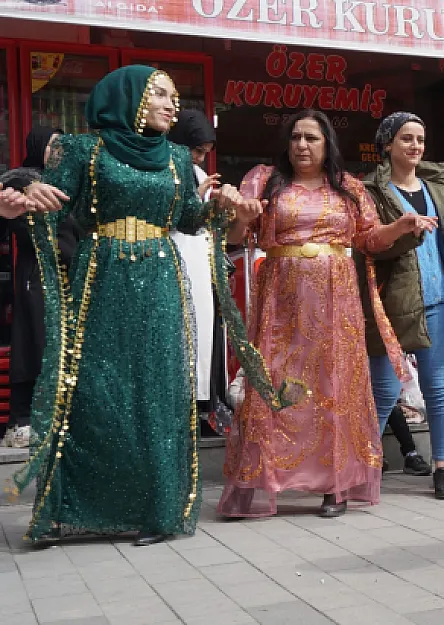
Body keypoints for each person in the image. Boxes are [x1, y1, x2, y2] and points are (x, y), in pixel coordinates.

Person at [14, 65, 288, 545]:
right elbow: (46, 203)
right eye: (158, 94)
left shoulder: (176, 157)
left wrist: (223, 206)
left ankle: (157, 511)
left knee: (155, 393)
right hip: (100, 279)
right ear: (128, 98)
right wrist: (28, 192)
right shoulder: (85, 150)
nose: (170, 105)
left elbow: (185, 217)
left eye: (173, 97)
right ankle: (67, 509)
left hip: (160, 282)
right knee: (91, 390)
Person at [219, 109, 414, 518]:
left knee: (333, 388)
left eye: (311, 138)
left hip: (335, 302)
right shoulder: (264, 180)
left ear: (328, 145)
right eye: (295, 138)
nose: (302, 145)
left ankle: (335, 487)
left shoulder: (347, 187)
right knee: (274, 383)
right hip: (280, 302)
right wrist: (240, 217)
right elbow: (236, 236)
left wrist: (400, 227)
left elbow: (369, 239)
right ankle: (265, 480)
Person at [358, 112, 444, 500]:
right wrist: (400, 228)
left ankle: (442, 467)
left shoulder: (436, 188)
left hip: (438, 298)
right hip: (390, 302)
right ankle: (362, 467)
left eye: (420, 139)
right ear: (387, 144)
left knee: (439, 387)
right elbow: (368, 244)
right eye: (406, 139)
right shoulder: (370, 191)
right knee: (384, 390)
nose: (415, 146)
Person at [0, 127, 80, 448]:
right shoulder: (25, 180)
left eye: (62, 145)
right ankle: (22, 419)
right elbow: (13, 179)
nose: (57, 151)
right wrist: (32, 186)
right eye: (51, 145)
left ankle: (62, 419)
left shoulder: (71, 185)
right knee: (33, 342)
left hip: (71, 277)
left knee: (65, 347)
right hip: (38, 275)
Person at [166, 110, 220, 424]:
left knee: (200, 327)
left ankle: (198, 403)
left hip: (199, 257)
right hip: (173, 253)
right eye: (195, 151)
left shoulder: (199, 174)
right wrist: (195, 199)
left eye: (203, 153)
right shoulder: (163, 169)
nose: (199, 159)